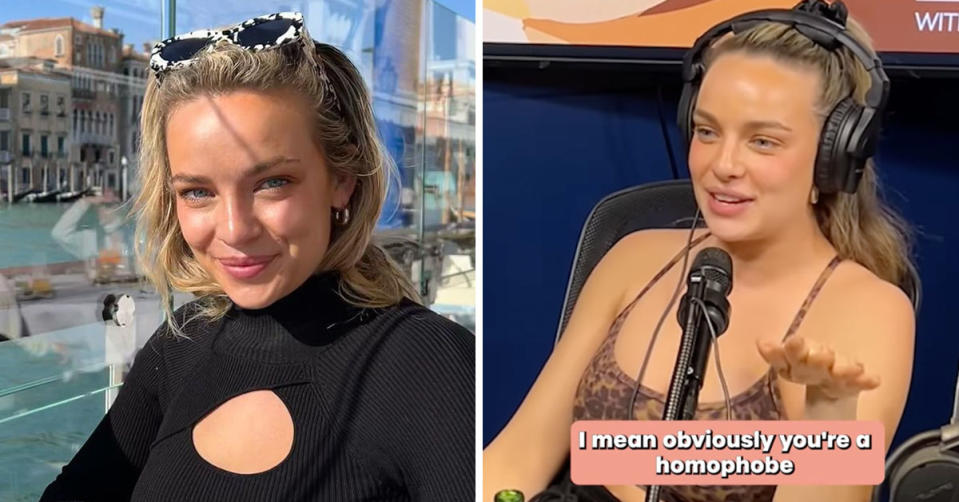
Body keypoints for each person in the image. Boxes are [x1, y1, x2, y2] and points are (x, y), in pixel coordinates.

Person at [484, 2, 915, 501]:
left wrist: (830, 419)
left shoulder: (869, 310)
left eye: (763, 141)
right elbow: (516, 458)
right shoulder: (634, 256)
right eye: (707, 131)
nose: (723, 164)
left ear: (832, 160)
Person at [40, 11, 473, 501]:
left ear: (342, 180)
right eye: (198, 192)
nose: (233, 230)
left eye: (272, 183)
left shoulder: (430, 364)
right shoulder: (180, 343)